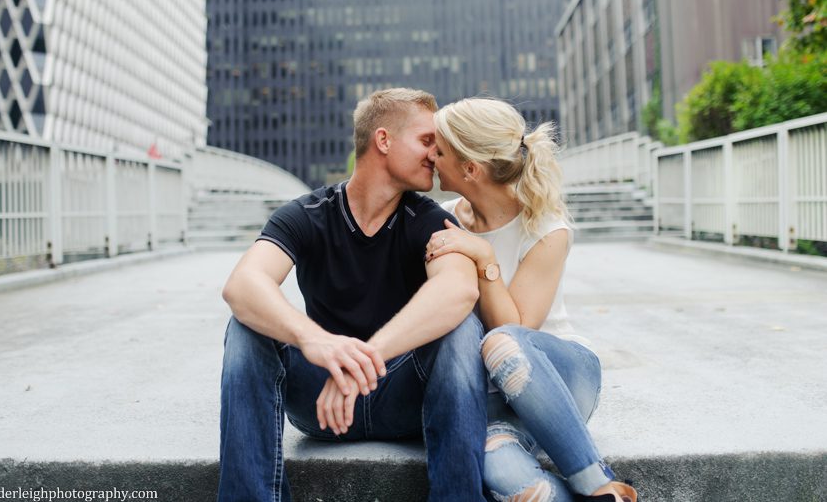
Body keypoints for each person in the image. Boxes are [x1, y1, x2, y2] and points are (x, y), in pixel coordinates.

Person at [218, 88, 488, 501]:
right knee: (247, 325)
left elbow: (459, 289)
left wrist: (365, 360)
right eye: (426, 141)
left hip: (403, 397)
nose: (436, 155)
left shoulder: (429, 219)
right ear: (383, 140)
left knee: (462, 328)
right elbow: (243, 284)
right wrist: (317, 342)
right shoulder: (306, 215)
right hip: (323, 405)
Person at [425, 97, 638, 502]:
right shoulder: (443, 218)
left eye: (439, 150)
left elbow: (517, 329)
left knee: (501, 344)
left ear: (470, 169)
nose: (431, 157)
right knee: (508, 477)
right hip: (495, 405)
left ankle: (598, 483)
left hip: (557, 377)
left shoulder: (545, 228)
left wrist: (484, 258)